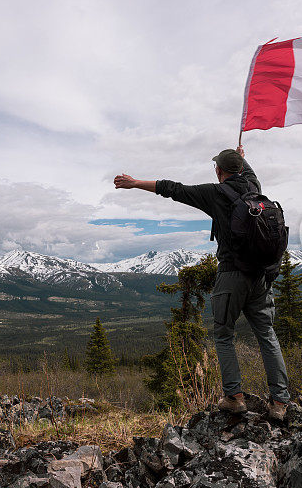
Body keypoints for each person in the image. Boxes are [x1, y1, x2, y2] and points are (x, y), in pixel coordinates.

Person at [113, 144, 290, 419]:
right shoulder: (254, 185)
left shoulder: (215, 193)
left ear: (218, 170)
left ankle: (234, 396)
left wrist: (135, 183)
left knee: (224, 334)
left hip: (232, 274)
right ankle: (280, 402)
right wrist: (242, 158)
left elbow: (173, 188)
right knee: (267, 335)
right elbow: (245, 168)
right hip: (262, 276)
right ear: (241, 168)